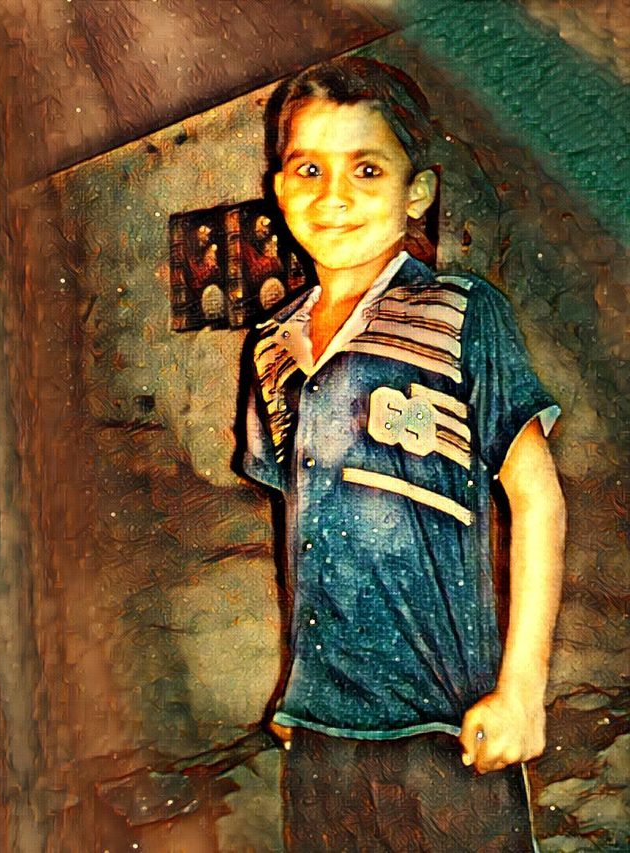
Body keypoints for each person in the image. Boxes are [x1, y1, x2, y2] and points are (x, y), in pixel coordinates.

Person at [240, 57, 565, 851]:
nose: (333, 196)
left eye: (367, 168)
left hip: (447, 725)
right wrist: (296, 685)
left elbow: (537, 497)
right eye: (309, 169)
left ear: (416, 191)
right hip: (322, 733)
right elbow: (301, 529)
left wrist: (522, 689)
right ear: (279, 189)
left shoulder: (462, 313)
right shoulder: (271, 348)